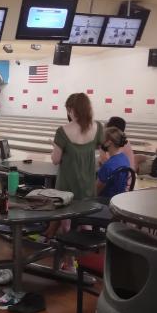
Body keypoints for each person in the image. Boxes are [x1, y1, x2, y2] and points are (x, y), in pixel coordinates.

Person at [44, 93, 104, 239]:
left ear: (71, 109)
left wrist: (55, 147)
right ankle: (85, 252)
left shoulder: (62, 131)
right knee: (85, 218)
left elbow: (55, 160)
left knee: (65, 218)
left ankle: (68, 254)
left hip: (67, 184)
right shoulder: (98, 127)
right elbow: (97, 151)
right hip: (88, 184)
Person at [96, 127, 131, 199]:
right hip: (119, 199)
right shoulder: (124, 158)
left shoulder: (108, 166)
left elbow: (95, 191)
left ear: (109, 142)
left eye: (103, 139)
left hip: (105, 202)